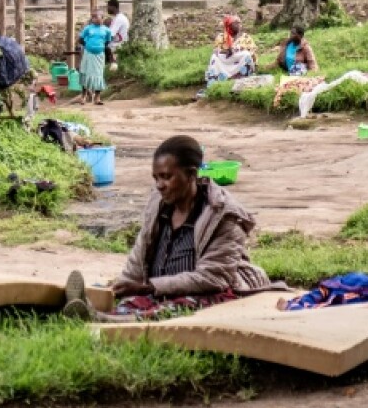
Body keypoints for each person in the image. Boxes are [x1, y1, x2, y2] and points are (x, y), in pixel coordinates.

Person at [63, 136, 271, 321]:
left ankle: (108, 320)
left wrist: (149, 286)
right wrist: (122, 287)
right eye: (156, 178)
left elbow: (213, 278)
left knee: (183, 306)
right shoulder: (158, 207)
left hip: (210, 292)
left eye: (166, 177)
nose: (159, 185)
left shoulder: (223, 215)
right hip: (162, 291)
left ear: (191, 174)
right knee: (131, 302)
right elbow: (139, 257)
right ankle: (95, 309)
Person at [205, 15, 258, 86]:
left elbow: (252, 51)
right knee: (214, 57)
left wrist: (238, 49)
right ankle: (216, 80)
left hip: (239, 60)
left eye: (240, 23)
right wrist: (226, 51)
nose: (239, 25)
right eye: (236, 23)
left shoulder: (246, 37)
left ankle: (242, 76)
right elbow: (216, 50)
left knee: (246, 55)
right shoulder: (221, 37)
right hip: (226, 61)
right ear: (229, 25)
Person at [77, 12, 113, 104]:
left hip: (99, 55)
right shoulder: (88, 29)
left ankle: (97, 98)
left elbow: (107, 42)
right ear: (92, 19)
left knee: (98, 75)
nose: (97, 19)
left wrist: (100, 47)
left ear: (102, 19)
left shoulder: (107, 30)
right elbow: (80, 40)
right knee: (86, 74)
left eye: (99, 18)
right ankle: (83, 96)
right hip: (88, 54)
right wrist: (88, 46)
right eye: (94, 18)